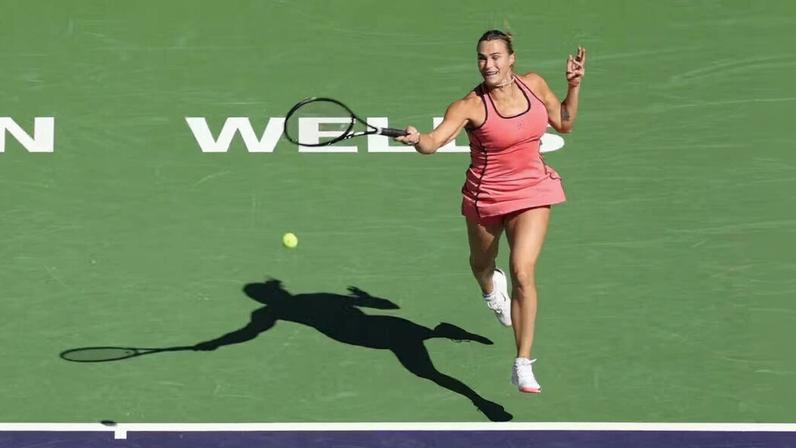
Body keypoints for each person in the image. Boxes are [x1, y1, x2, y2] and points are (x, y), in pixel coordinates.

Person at [394, 30, 586, 394]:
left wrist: (573, 85)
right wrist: (419, 138)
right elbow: (434, 143)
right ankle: (490, 289)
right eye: (482, 58)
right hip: (487, 196)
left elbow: (565, 122)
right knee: (482, 264)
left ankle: (523, 363)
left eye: (496, 57)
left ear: (512, 58)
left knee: (523, 272)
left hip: (532, 188)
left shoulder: (534, 85)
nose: (488, 64)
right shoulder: (469, 105)